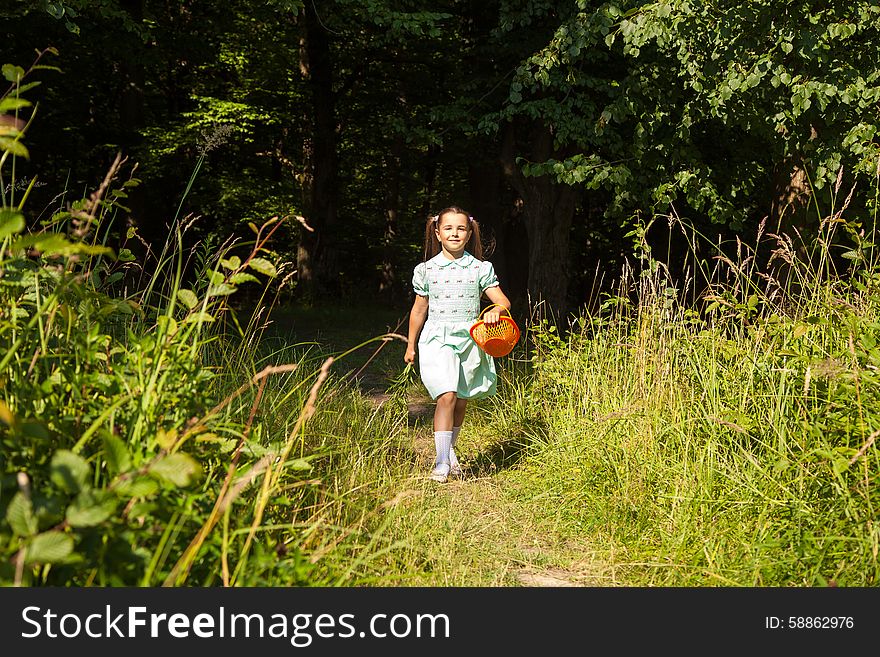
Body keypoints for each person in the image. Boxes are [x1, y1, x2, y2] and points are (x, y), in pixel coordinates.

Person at [404, 206, 512, 483]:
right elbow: (419, 310)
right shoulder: (426, 270)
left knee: (461, 399)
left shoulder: (480, 268)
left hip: (470, 339)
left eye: (461, 228)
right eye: (448, 228)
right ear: (438, 233)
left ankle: (449, 450)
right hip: (437, 338)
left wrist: (496, 311)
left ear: (469, 233)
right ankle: (440, 463)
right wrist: (411, 345)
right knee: (447, 395)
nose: (455, 232)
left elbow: (503, 301)